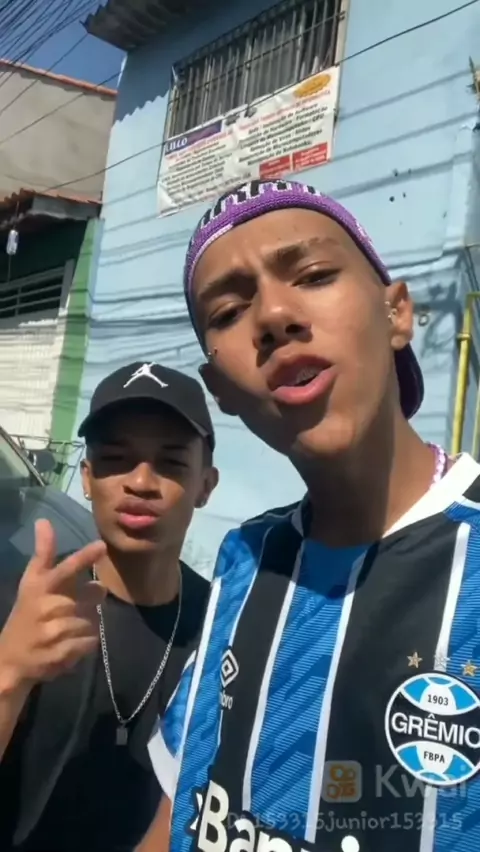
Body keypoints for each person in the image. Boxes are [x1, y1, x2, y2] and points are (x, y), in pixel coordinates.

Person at [142, 179, 480, 852]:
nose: (274, 315)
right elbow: (180, 808)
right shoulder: (244, 557)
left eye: (316, 275)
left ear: (396, 313)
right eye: (229, 311)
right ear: (220, 390)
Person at [0, 361, 218, 852]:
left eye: (170, 463)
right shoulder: (21, 601)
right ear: (86, 477)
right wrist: (9, 669)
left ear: (206, 485)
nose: (140, 482)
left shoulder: (223, 627)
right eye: (116, 459)